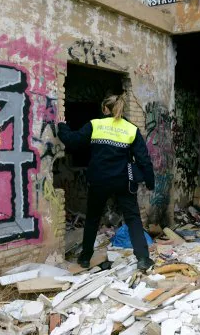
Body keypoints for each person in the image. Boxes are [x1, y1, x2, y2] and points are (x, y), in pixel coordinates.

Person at [57, 94, 156, 271]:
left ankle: (85, 258)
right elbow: (144, 159)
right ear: (121, 109)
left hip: (99, 181)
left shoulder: (95, 125)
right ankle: (142, 258)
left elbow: (71, 141)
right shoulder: (131, 129)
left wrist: (62, 125)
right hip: (123, 181)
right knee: (133, 218)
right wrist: (150, 182)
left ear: (105, 109)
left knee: (93, 219)